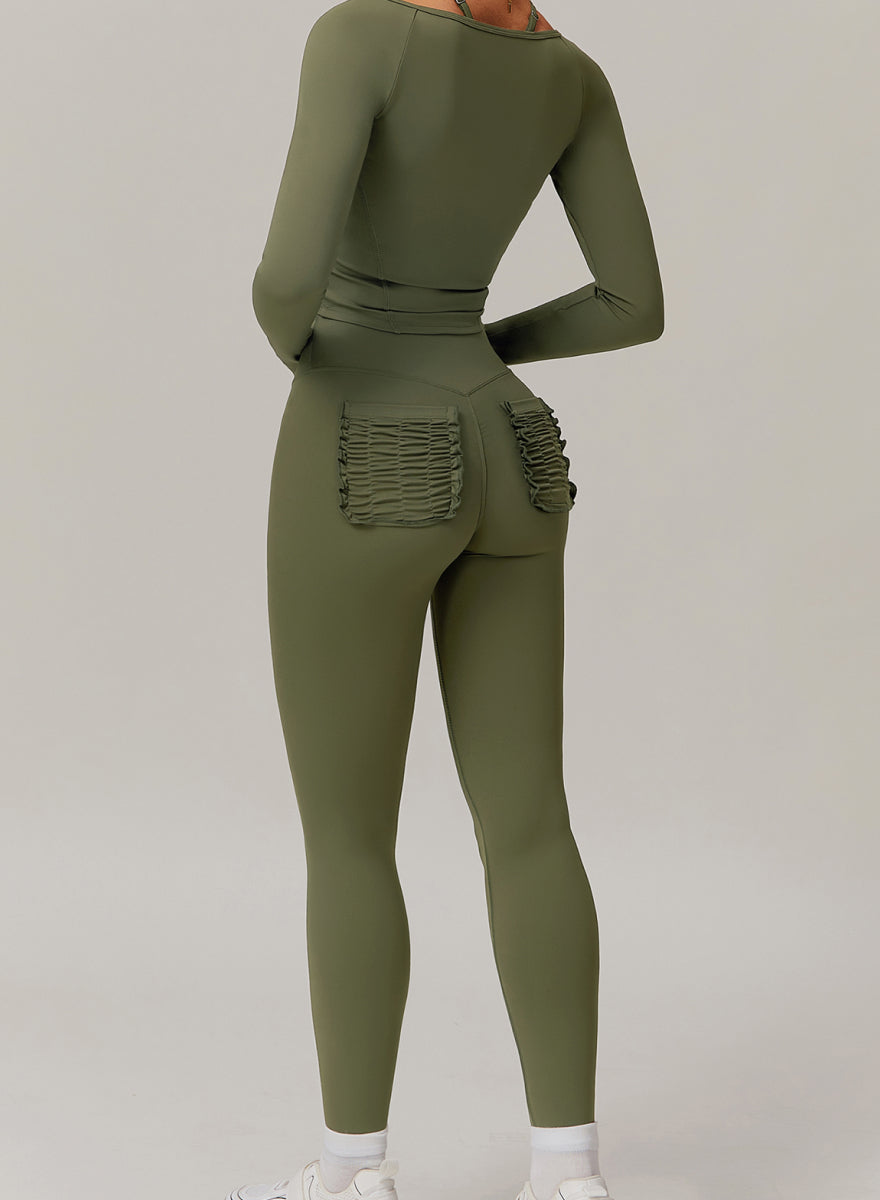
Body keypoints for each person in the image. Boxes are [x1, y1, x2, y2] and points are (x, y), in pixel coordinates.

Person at [227, 0, 663, 1196]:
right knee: (529, 823)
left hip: (359, 439)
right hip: (510, 442)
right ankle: (566, 1170)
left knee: (348, 834)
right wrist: (471, 348)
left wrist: (338, 353)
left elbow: (284, 282)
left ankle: (354, 1167)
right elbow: (634, 305)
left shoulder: (361, 36)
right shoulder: (571, 74)